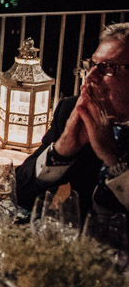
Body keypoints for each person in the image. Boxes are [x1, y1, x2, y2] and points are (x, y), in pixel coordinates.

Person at [16, 23, 129, 219]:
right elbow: (19, 192)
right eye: (92, 66)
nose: (90, 78)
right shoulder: (73, 110)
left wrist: (113, 160)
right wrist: (60, 152)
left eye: (108, 68)